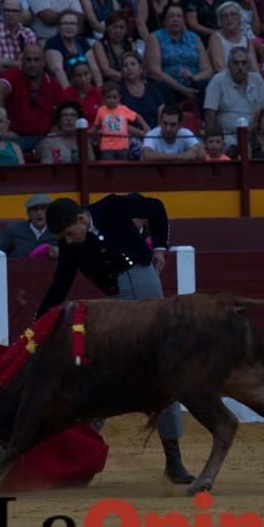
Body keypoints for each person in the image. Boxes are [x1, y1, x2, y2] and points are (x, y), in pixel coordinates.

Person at [36, 194, 195, 484]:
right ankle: (81, 455)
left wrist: (160, 247)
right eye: (64, 238)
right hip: (117, 301)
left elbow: (156, 207)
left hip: (147, 285)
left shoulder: (112, 207)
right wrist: (39, 320)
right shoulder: (69, 243)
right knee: (104, 371)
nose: (69, 242)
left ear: (82, 219)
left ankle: (174, 460)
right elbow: (60, 284)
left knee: (165, 369)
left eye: (70, 234)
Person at [0, 43, 65, 152]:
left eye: (36, 60)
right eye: (28, 60)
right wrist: (5, 128)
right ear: (22, 62)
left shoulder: (53, 84)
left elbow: (62, 115)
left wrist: (49, 137)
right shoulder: (13, 74)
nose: (32, 64)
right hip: (16, 137)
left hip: (44, 139)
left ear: (44, 63)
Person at [203, 45, 264, 148]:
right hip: (227, 137)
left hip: (255, 136)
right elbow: (209, 115)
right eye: (236, 63)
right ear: (228, 65)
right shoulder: (217, 80)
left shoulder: (257, 80)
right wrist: (214, 141)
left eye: (244, 63)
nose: (240, 67)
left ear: (249, 65)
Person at [145, 2, 214, 104]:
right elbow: (155, 72)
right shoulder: (155, 37)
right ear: (164, 21)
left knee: (205, 85)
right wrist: (183, 89)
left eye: (179, 16)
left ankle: (205, 119)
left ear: (183, 21)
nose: (175, 19)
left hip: (192, 83)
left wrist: (193, 78)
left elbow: (207, 70)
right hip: (168, 85)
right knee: (163, 88)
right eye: (171, 16)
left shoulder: (194, 37)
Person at [0, 0, 37, 91]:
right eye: (7, 10)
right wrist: (19, 66)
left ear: (21, 14)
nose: (10, 14)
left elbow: (33, 66)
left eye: (15, 11)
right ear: (2, 13)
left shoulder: (28, 34)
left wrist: (5, 62)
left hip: (23, 85)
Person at [45, 10, 103, 88]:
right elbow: (58, 70)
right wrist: (70, 95)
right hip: (63, 89)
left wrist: (99, 88)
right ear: (59, 27)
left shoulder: (82, 41)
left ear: (78, 27)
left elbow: (93, 67)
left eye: (72, 23)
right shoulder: (52, 43)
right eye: (65, 23)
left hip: (84, 86)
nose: (69, 27)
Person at [0, 193, 60, 258]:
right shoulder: (13, 230)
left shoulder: (58, 232)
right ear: (28, 213)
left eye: (44, 208)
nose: (39, 213)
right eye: (34, 209)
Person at [93, 80, 149, 160]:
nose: (112, 100)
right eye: (108, 97)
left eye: (114, 97)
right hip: (106, 147)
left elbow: (136, 116)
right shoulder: (101, 110)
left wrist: (145, 126)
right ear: (103, 98)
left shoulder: (123, 109)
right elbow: (96, 125)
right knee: (108, 169)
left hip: (123, 146)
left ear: (119, 98)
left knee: (121, 169)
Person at [208, 1, 259, 72]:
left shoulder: (247, 40)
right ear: (220, 21)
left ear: (239, 18)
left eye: (233, 14)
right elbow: (219, 67)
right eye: (224, 16)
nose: (229, 18)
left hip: (245, 79)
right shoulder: (215, 38)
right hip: (224, 79)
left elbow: (254, 69)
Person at [93, 11, 136, 82]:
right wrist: (128, 77)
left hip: (131, 80)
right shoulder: (99, 45)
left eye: (122, 27)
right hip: (112, 84)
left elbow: (138, 66)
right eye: (114, 27)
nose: (118, 31)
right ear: (107, 28)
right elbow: (106, 71)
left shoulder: (131, 45)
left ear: (126, 30)